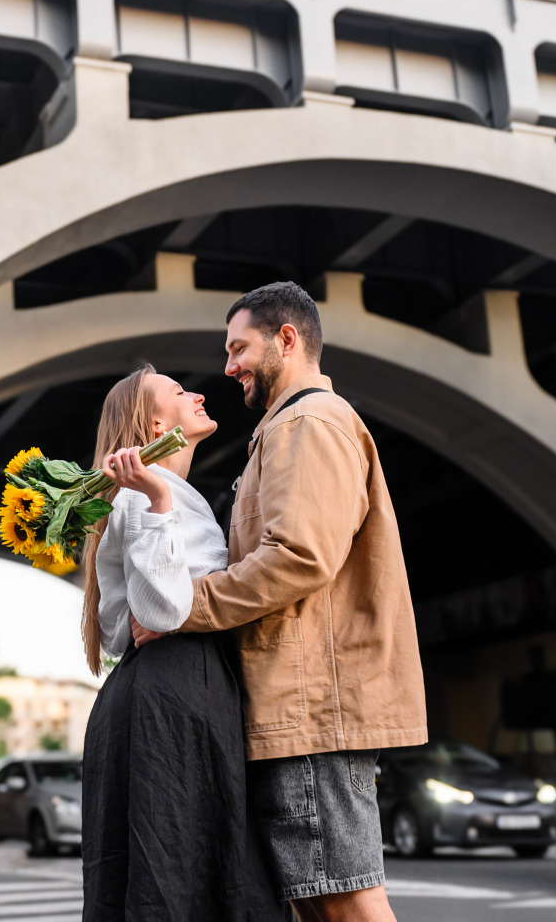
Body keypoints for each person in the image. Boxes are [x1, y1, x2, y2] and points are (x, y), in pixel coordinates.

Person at [133, 282, 427, 922]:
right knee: (321, 899)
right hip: (303, 706)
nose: (229, 365)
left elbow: (300, 556)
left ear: (286, 340)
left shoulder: (307, 423)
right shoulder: (290, 428)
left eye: (239, 348)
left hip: (312, 707)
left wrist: (181, 607)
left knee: (344, 898)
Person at [80, 364, 286, 922]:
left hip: (162, 695)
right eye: (178, 391)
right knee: (183, 868)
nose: (197, 393)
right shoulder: (147, 494)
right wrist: (157, 503)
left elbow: (127, 619)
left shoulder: (165, 493)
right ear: (153, 424)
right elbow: (164, 610)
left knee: (171, 870)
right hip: (174, 700)